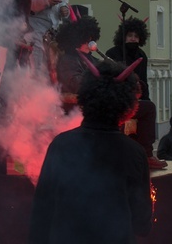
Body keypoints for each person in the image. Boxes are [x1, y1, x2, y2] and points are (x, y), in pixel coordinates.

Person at [29, 58, 153, 244]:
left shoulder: (61, 145)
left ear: (86, 97)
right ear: (127, 105)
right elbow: (142, 224)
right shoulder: (134, 152)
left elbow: (41, 212)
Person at [106, 16, 167, 169]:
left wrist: (141, 89)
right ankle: (115, 156)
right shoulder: (112, 53)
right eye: (130, 36)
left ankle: (146, 154)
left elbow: (144, 83)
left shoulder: (141, 56)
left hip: (135, 99)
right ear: (123, 36)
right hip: (116, 100)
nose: (133, 39)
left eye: (136, 36)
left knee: (150, 107)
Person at [55, 16, 101, 111]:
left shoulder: (95, 60)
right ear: (76, 41)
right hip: (76, 109)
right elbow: (77, 85)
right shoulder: (67, 60)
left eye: (91, 38)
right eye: (86, 39)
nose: (90, 41)